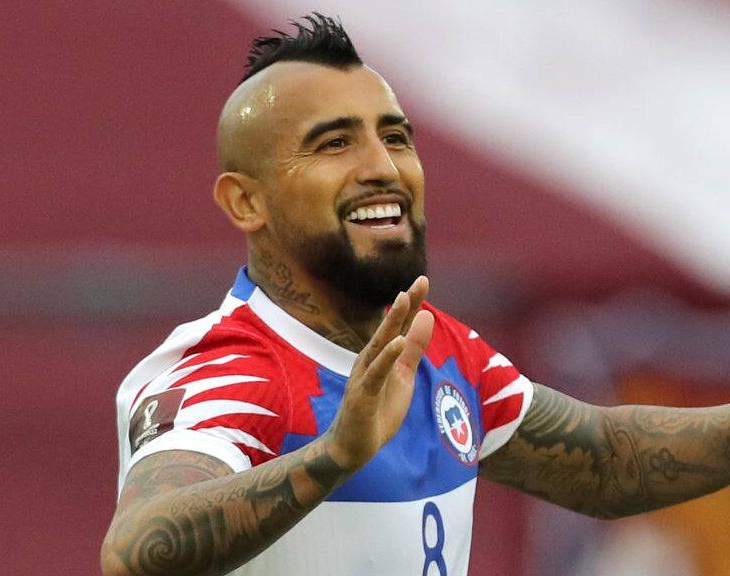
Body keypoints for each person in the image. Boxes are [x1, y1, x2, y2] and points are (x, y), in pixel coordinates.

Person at [100, 14, 730, 576]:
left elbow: (605, 460)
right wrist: (331, 458)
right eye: (335, 143)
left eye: (395, 137)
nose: (384, 167)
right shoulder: (229, 370)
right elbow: (137, 551)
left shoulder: (436, 349)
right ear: (246, 201)